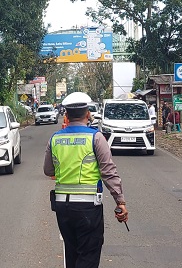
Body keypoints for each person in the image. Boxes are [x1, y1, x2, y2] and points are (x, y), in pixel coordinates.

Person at [44, 92, 128, 268]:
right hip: (88, 207)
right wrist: (120, 201)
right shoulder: (96, 137)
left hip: (62, 207)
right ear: (88, 113)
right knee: (88, 254)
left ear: (65, 115)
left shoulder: (55, 138)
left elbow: (48, 170)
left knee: (72, 251)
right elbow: (109, 172)